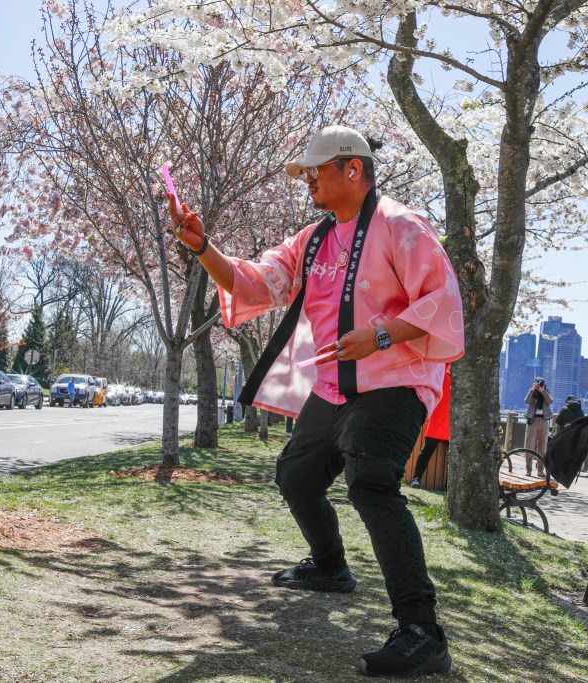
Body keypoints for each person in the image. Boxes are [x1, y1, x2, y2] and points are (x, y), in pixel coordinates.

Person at [167, 125, 463, 678]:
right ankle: (330, 567)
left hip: (396, 381)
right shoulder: (314, 238)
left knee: (371, 484)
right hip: (335, 386)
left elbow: (442, 302)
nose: (306, 180)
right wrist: (203, 247)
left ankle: (422, 631)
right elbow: (253, 284)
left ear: (353, 169)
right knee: (296, 475)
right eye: (304, 172)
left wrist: (378, 336)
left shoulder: (402, 226)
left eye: (315, 171)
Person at [410, 364, 451, 489]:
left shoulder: (458, 380)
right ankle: (416, 478)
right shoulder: (442, 374)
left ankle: (448, 485)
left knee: (454, 454)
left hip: (450, 420)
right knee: (427, 450)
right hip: (438, 418)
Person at [523, 378, 553, 476]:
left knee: (542, 446)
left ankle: (540, 470)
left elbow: (550, 401)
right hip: (533, 420)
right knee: (529, 445)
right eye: (538, 384)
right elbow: (526, 401)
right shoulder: (532, 392)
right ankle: (528, 470)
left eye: (541, 384)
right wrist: (533, 389)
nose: (539, 385)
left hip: (544, 420)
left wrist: (542, 391)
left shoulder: (546, 392)